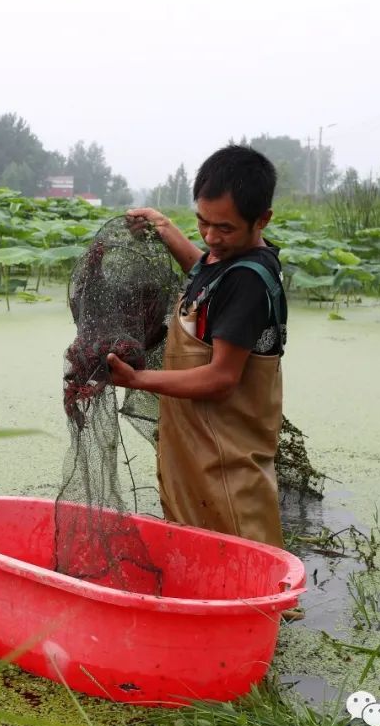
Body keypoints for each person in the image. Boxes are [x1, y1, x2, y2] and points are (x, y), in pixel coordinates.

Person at [107, 144, 289, 550]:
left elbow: (223, 378)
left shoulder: (249, 281)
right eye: (202, 223)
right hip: (199, 451)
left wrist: (136, 379)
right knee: (200, 554)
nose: (210, 238)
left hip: (225, 462)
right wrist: (165, 227)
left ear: (263, 220)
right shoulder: (229, 263)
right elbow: (206, 277)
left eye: (224, 228)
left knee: (242, 563)